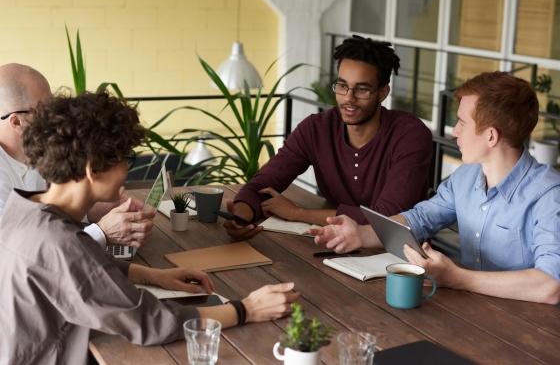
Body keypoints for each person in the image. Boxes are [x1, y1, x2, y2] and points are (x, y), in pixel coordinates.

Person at [0, 91, 299, 365]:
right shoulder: (58, 242)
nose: (128, 170)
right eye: (124, 159)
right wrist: (247, 309)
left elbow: (80, 268)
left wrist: (155, 275)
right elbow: (150, 322)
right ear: (92, 170)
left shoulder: (25, 207)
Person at [310, 71, 560, 305]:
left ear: (491, 136)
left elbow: (550, 285)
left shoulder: (549, 194)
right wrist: (362, 233)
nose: (454, 132)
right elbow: (420, 219)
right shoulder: (466, 176)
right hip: (476, 311)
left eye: (462, 123)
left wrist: (457, 278)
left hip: (534, 329)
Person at [224, 35, 433, 241]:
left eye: (361, 89)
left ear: (383, 93)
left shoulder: (410, 135)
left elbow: (385, 218)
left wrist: (297, 213)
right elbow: (263, 183)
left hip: (400, 255)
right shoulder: (316, 129)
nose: (348, 98)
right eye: (342, 86)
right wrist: (240, 217)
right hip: (336, 245)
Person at [0, 63, 152, 249]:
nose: (54, 117)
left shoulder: (37, 152)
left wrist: (90, 211)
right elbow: (20, 250)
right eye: (45, 111)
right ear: (17, 121)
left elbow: (45, 222)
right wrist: (102, 232)